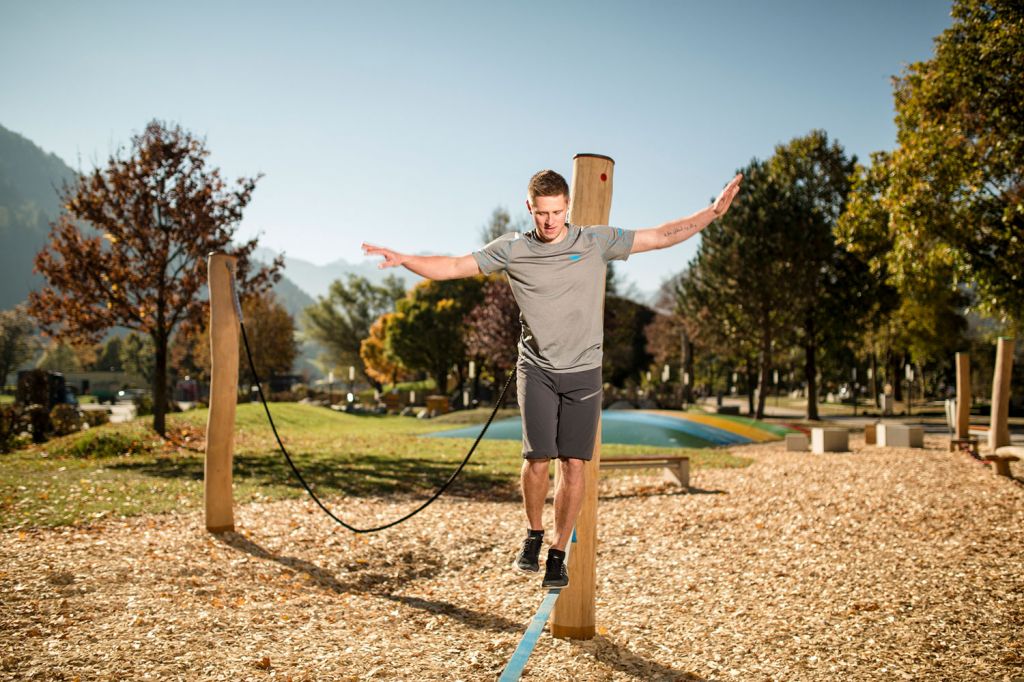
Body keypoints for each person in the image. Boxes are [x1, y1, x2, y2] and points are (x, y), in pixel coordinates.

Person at [363, 169, 742, 588]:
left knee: (574, 464)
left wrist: (711, 213)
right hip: (537, 368)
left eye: (557, 212)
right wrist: (405, 260)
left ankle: (557, 553)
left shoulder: (595, 241)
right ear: (530, 208)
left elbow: (660, 236)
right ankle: (533, 534)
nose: (549, 221)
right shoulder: (512, 249)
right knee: (536, 458)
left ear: (567, 207)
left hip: (584, 371)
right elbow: (453, 266)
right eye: (542, 213)